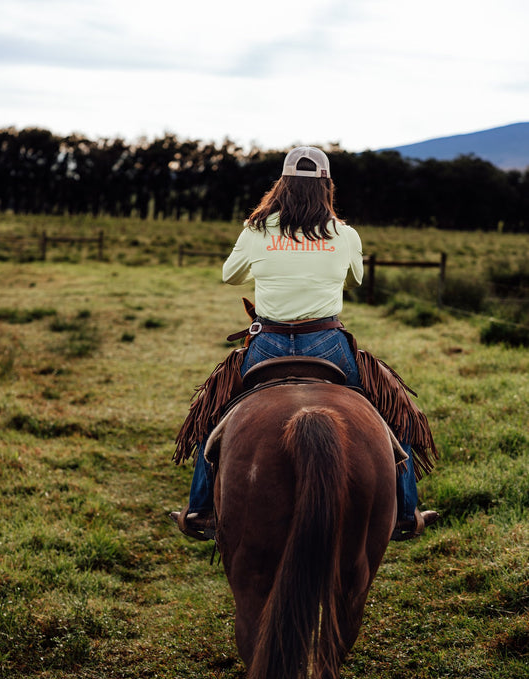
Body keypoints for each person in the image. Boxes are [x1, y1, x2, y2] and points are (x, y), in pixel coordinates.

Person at [171, 146, 438, 541]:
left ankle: (200, 509)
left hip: (268, 343)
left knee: (212, 413)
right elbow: (358, 279)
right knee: (393, 411)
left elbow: (231, 275)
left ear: (282, 185)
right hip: (328, 343)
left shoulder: (255, 229)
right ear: (327, 187)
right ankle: (404, 509)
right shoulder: (345, 234)